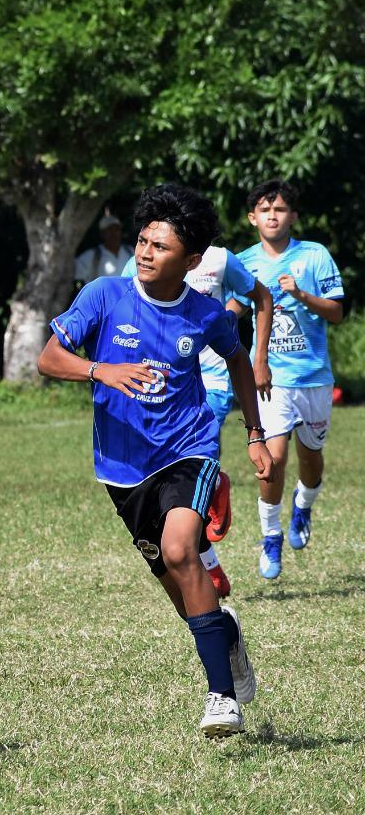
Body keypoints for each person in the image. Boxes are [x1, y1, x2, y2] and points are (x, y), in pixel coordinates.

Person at [38, 183, 271, 739]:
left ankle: (221, 699)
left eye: (158, 246)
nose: (143, 252)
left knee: (181, 548)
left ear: (190, 261)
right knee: (179, 586)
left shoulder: (204, 314)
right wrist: (102, 370)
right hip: (121, 468)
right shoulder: (103, 294)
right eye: (142, 241)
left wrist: (254, 433)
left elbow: (238, 362)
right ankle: (226, 636)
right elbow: (49, 358)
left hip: (189, 448)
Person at [120, 243, 274, 595]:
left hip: (214, 383)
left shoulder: (220, 259)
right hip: (166, 385)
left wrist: (256, 355)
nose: (151, 248)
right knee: (172, 487)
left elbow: (260, 297)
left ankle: (212, 493)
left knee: (187, 468)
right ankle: (209, 559)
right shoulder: (138, 264)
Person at [232, 180, 344, 579]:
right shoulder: (244, 262)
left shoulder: (314, 256)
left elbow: (336, 312)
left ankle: (304, 504)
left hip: (312, 377)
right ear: (253, 218)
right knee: (272, 460)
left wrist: (300, 295)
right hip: (270, 379)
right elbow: (235, 309)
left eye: (279, 209)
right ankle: (271, 537)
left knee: (310, 460)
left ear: (292, 216)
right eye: (265, 210)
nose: (273, 216)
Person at [75, 213, 134, 283]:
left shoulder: (130, 251)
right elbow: (78, 280)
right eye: (109, 230)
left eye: (116, 229)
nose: (114, 233)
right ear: (102, 234)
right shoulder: (90, 256)